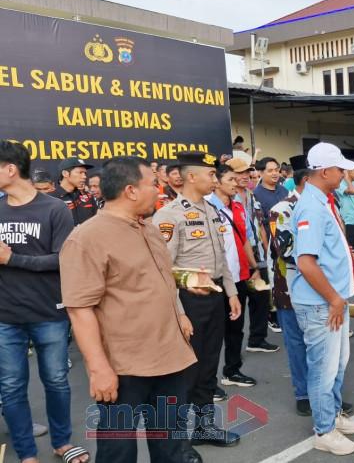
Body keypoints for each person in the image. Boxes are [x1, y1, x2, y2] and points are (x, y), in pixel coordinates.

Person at [61, 157, 200, 463]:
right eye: (153, 183)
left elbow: (158, 277)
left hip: (170, 358)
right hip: (124, 368)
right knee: (118, 451)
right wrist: (99, 369)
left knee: (171, 446)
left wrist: (180, 312)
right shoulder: (87, 238)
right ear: (131, 191)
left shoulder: (148, 228)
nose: (159, 188)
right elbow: (80, 309)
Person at [0, 140, 88, 463]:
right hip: (5, 316)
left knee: (56, 381)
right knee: (10, 387)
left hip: (49, 313)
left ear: (10, 169)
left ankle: (62, 443)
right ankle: (26, 453)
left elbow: (63, 261)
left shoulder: (53, 209)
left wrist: (13, 260)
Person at [153, 151, 242, 448]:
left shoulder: (213, 210)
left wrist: (230, 292)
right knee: (185, 372)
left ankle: (204, 427)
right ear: (191, 177)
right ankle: (179, 444)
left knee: (207, 367)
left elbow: (223, 260)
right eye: (210, 175)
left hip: (214, 297)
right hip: (188, 301)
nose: (214, 180)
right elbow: (163, 270)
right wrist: (179, 312)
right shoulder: (169, 215)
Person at [290, 142, 354, 456]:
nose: (344, 172)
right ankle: (324, 430)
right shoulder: (311, 206)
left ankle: (332, 415)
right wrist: (335, 299)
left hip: (332, 299)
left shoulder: (322, 200)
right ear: (324, 171)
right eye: (339, 168)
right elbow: (306, 261)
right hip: (322, 302)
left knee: (337, 364)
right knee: (323, 368)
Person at [207, 163, 264, 390]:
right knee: (211, 336)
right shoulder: (207, 208)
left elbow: (245, 240)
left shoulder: (238, 207)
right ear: (217, 182)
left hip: (238, 277)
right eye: (230, 179)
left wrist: (254, 267)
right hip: (214, 281)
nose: (235, 183)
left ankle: (232, 371)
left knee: (235, 329)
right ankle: (206, 385)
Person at [229, 157, 278, 355]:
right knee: (238, 306)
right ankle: (232, 358)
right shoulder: (225, 200)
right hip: (239, 261)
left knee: (261, 299)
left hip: (259, 257)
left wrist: (268, 252)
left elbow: (260, 226)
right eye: (239, 173)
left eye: (246, 172)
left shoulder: (251, 195)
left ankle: (257, 339)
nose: (244, 176)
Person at [50, 157, 97, 226]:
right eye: (80, 172)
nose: (84, 176)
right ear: (65, 173)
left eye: (85, 173)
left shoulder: (88, 196)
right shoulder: (50, 198)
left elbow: (96, 222)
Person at [335, 163, 354, 252]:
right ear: (350, 171)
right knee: (349, 251)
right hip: (348, 222)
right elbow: (352, 191)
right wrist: (347, 178)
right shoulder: (339, 184)